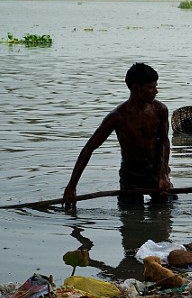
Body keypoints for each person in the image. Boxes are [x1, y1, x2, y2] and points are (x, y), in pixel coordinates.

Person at [63, 63, 172, 206]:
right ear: (136, 89)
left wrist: (163, 174)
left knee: (166, 209)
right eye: (150, 87)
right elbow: (89, 148)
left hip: (156, 170)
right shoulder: (118, 117)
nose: (156, 91)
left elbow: (164, 141)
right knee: (130, 217)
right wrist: (71, 186)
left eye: (156, 86)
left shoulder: (160, 110)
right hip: (131, 175)